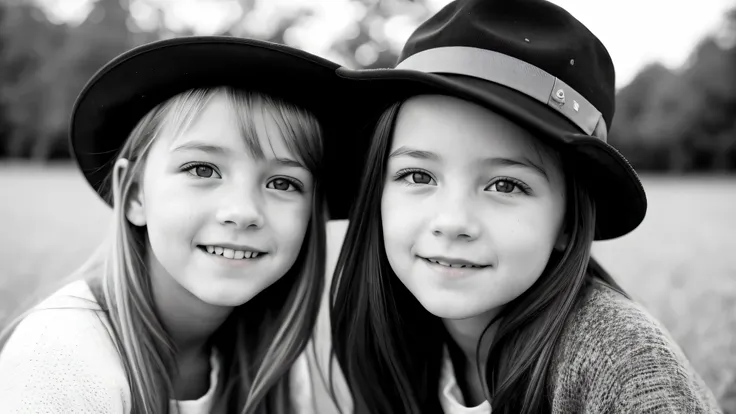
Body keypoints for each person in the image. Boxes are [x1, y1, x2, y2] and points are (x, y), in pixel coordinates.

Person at [327, 0, 723, 412]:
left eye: (505, 185)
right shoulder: (385, 339)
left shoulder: (622, 363)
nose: (452, 222)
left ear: (569, 221)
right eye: (418, 176)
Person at [0, 36, 358, 414]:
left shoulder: (273, 355)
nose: (242, 211)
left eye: (283, 183)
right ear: (135, 193)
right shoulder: (60, 361)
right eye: (202, 169)